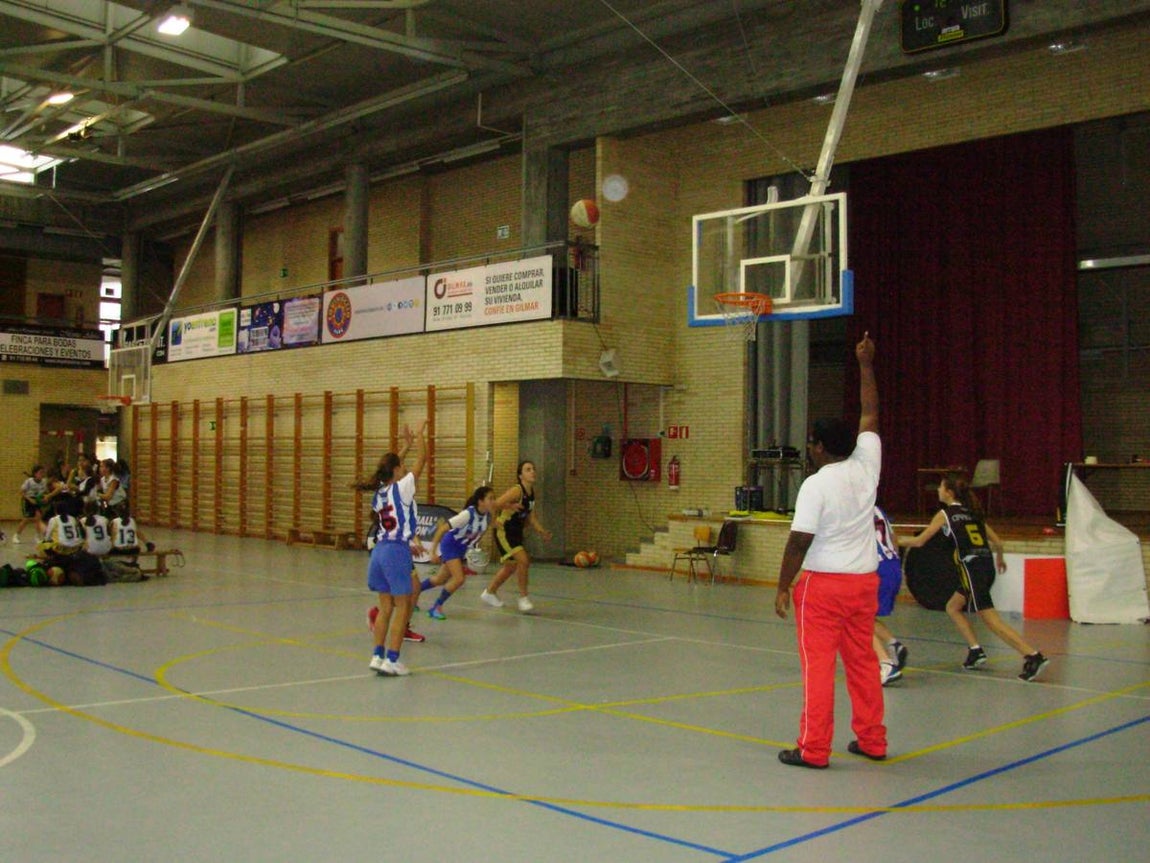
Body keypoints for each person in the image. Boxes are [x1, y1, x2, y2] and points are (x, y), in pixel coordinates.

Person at [774, 332, 886, 768]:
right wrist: (866, 364)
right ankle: (873, 739)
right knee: (861, 663)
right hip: (863, 585)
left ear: (820, 448)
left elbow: (799, 541)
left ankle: (814, 748)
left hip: (823, 590)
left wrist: (782, 586)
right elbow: (871, 410)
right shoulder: (867, 464)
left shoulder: (816, 485)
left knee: (818, 669)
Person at [898, 473, 1050, 682]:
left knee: (991, 620)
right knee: (953, 606)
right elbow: (998, 543)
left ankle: (1033, 656)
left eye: (941, 487)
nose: (938, 490)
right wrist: (1000, 560)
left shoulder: (945, 513)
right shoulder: (973, 513)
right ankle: (976, 650)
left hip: (971, 569)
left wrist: (890, 540)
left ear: (949, 493)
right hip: (985, 565)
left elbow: (919, 542)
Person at [364, 421, 428, 676]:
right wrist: (420, 439)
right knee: (403, 606)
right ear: (398, 471)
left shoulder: (379, 494)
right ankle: (393, 659)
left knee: (386, 607)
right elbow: (422, 460)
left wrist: (405, 447)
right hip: (395, 550)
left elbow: (388, 468)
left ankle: (377, 656)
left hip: (379, 551)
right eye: (402, 466)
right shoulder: (402, 488)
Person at [480, 460, 552, 613]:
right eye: (528, 469)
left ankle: (489, 592)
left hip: (516, 532)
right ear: (520, 475)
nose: (532, 471)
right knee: (524, 560)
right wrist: (507, 508)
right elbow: (494, 504)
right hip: (504, 530)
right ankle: (523, 598)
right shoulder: (516, 491)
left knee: (510, 567)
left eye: (533, 469)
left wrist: (542, 532)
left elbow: (532, 518)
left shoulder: (531, 494)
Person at [420, 485, 496, 620]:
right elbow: (442, 529)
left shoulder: (488, 517)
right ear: (481, 501)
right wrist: (432, 552)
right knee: (459, 579)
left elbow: (480, 531)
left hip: (460, 549)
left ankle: (413, 591)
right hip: (450, 544)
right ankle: (436, 607)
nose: (493, 501)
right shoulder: (467, 514)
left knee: (440, 579)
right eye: (490, 498)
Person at [873, 505, 908, 685]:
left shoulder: (855, 509)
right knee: (867, 616)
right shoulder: (878, 510)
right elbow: (894, 539)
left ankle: (886, 665)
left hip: (876, 567)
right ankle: (893, 643)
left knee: (856, 618)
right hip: (893, 564)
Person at [13, 465, 51, 543]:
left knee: (38, 518)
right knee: (26, 520)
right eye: (40, 472)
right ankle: (16, 535)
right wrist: (30, 500)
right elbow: (21, 492)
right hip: (28, 500)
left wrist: (45, 498)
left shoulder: (44, 481)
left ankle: (37, 536)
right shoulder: (29, 481)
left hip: (37, 500)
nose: (42, 474)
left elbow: (45, 492)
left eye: (43, 473)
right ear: (35, 474)